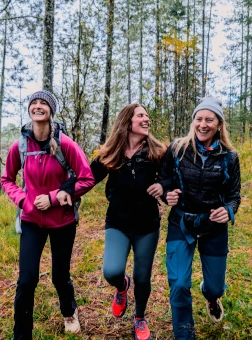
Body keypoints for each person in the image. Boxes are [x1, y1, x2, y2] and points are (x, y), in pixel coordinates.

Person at [1, 90, 95, 339]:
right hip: (31, 221)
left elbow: (87, 179)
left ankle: (69, 310)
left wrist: (54, 197)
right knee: (26, 280)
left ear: (51, 111)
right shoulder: (20, 145)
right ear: (29, 110)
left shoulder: (65, 144)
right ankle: (22, 335)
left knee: (59, 276)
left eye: (44, 103)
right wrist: (23, 200)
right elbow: (7, 179)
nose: (38, 106)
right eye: (34, 103)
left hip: (62, 221)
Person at [158, 97, 241, 340]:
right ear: (193, 121)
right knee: (179, 284)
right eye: (199, 119)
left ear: (219, 124)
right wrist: (166, 193)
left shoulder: (230, 157)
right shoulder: (177, 149)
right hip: (181, 223)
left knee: (215, 286)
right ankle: (184, 335)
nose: (203, 124)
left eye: (209, 119)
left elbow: (234, 194)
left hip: (213, 227)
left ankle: (211, 296)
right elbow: (164, 180)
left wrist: (228, 210)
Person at [90, 104, 167, 340]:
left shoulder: (157, 152)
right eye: (141, 115)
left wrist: (164, 187)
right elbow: (86, 179)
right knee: (111, 271)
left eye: (147, 116)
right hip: (118, 223)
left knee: (143, 277)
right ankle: (122, 285)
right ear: (127, 121)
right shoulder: (111, 153)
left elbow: (170, 179)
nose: (146, 119)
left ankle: (140, 318)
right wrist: (61, 193)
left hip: (147, 226)